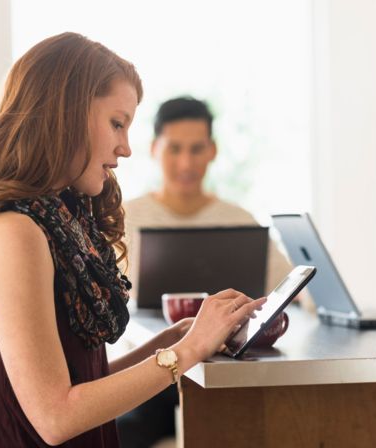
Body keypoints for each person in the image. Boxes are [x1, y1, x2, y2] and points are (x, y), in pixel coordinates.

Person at [0, 32, 265, 447]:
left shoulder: (52, 222)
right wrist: (186, 353)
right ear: (63, 114)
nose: (126, 148)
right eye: (116, 123)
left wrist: (174, 341)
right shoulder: (14, 234)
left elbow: (83, 384)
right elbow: (56, 416)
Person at [117, 96, 293, 446]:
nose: (186, 162)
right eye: (175, 149)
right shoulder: (123, 219)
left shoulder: (239, 221)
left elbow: (291, 292)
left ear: (212, 151)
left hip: (229, 373)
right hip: (151, 372)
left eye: (197, 149)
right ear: (154, 149)